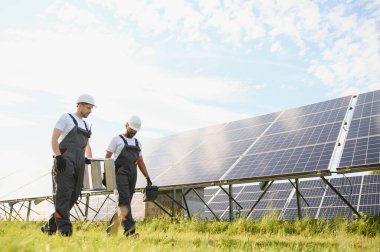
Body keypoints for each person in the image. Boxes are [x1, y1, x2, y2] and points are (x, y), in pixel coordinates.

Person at [41, 94, 95, 236]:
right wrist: (58, 157)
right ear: (80, 105)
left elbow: (86, 145)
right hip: (65, 160)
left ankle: (50, 224)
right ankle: (65, 231)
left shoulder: (86, 124)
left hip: (79, 161)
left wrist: (89, 158)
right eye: (88, 108)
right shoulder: (66, 118)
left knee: (74, 195)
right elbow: (53, 139)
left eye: (91, 108)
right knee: (64, 194)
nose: (90, 111)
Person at [105, 115, 152, 238]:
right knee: (124, 201)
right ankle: (130, 232)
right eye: (132, 129)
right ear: (126, 125)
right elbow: (107, 157)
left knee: (124, 202)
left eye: (136, 130)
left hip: (132, 174)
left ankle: (110, 232)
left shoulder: (138, 143)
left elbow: (140, 162)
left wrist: (147, 177)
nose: (133, 132)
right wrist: (106, 175)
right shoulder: (117, 139)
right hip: (119, 173)